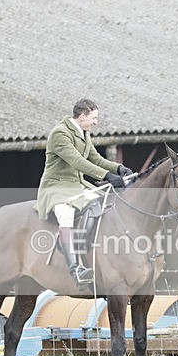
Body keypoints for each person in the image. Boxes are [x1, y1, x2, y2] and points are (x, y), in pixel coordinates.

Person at [34, 99, 133, 285]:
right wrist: (107, 176)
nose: (96, 122)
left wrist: (118, 168)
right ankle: (75, 269)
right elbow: (77, 162)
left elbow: (95, 158)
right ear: (82, 116)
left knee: (104, 204)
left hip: (77, 185)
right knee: (66, 215)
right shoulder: (60, 134)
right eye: (93, 118)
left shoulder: (83, 132)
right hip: (57, 188)